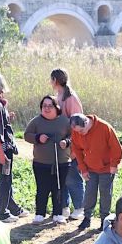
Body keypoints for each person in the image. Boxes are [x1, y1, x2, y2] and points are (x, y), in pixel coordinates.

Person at [0, 71, 26, 223]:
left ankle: (12, 207)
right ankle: (2, 212)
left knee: (6, 178)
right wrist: (1, 153)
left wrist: (6, 117)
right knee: (5, 178)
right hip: (2, 148)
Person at [70, 114, 122, 231]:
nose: (80, 134)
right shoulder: (76, 131)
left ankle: (105, 220)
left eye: (82, 131)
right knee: (89, 193)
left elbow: (116, 148)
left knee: (105, 194)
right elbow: (77, 151)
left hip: (106, 168)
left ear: (87, 123)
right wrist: (83, 169)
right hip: (90, 168)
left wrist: (114, 165)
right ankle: (87, 218)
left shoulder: (104, 127)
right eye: (76, 131)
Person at [24, 96, 71, 225]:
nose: (47, 108)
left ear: (57, 107)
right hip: (41, 163)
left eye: (50, 106)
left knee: (59, 188)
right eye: (44, 105)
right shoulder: (36, 121)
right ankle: (40, 214)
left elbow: (73, 136)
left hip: (62, 162)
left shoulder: (65, 121)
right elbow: (27, 135)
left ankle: (58, 213)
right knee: (42, 189)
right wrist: (38, 138)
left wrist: (66, 142)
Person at [51, 68, 85, 220]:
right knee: (61, 177)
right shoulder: (59, 96)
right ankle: (64, 206)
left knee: (72, 176)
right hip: (59, 145)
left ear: (55, 80)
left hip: (70, 145)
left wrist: (72, 145)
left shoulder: (71, 98)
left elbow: (77, 123)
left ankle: (80, 207)